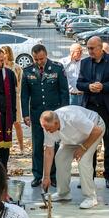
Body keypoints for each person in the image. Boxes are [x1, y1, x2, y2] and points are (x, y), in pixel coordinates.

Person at [77, 36, 109, 189]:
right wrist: (89, 86)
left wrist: (104, 86)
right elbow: (79, 83)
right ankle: (88, 176)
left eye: (92, 48)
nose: (89, 51)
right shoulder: (84, 63)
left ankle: (108, 176)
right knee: (89, 143)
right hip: (91, 109)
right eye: (88, 48)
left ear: (100, 48)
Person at [21, 44, 68, 187]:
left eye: (41, 58)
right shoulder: (28, 71)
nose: (39, 62)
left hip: (54, 116)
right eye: (36, 59)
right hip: (36, 114)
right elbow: (24, 95)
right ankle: (37, 175)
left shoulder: (57, 68)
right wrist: (25, 114)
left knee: (53, 145)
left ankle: (52, 175)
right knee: (37, 145)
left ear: (46, 55)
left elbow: (64, 92)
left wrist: (63, 113)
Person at [40, 105, 105, 209]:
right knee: (60, 158)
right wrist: (46, 177)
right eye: (45, 129)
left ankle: (91, 197)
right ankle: (63, 193)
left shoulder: (73, 117)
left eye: (49, 129)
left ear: (56, 123)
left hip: (92, 132)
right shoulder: (47, 126)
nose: (47, 132)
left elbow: (97, 131)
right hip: (71, 138)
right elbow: (48, 152)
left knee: (83, 160)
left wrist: (83, 148)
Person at [1, 45, 25, 152]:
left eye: (4, 53)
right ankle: (5, 147)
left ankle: (21, 147)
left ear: (8, 54)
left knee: (17, 123)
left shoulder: (16, 68)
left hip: (14, 98)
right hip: (2, 99)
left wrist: (17, 93)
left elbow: (20, 83)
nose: (3, 55)